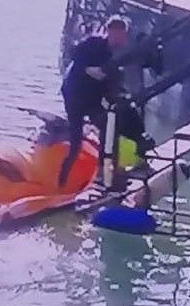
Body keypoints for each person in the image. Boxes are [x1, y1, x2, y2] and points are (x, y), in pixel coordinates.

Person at [58, 16, 150, 188]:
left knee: (113, 124)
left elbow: (113, 85)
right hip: (75, 97)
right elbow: (74, 52)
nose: (121, 39)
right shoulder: (94, 43)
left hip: (93, 98)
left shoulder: (116, 55)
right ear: (110, 33)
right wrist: (87, 68)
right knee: (75, 144)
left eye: (123, 35)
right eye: (117, 35)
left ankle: (108, 169)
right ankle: (61, 181)